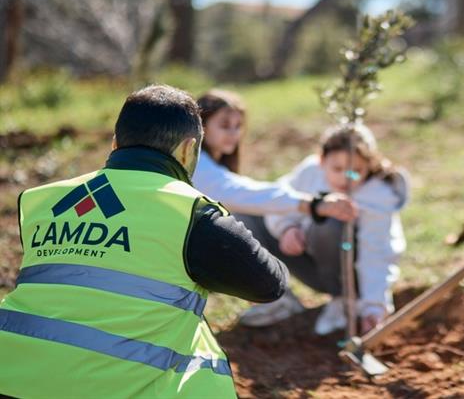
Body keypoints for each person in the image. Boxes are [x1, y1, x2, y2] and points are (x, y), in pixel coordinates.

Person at [0, 84, 289, 398]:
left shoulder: (42, 199)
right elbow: (268, 284)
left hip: (11, 377)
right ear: (188, 150)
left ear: (115, 144)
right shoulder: (189, 211)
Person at [239, 123, 409, 335]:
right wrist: (287, 228)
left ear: (370, 164)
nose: (345, 179)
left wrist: (373, 308)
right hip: (310, 263)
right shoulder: (310, 172)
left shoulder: (378, 195)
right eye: (337, 169)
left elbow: (376, 253)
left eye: (356, 171)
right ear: (321, 160)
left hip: (351, 272)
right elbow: (277, 202)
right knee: (244, 213)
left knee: (330, 221)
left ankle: (345, 299)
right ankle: (278, 299)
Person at [192, 89, 356, 223]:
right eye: (225, 125)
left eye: (238, 126)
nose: (234, 133)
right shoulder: (198, 164)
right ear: (202, 125)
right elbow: (239, 192)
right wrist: (311, 203)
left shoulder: (213, 164)